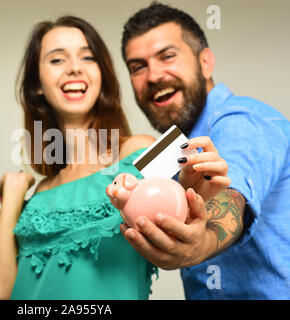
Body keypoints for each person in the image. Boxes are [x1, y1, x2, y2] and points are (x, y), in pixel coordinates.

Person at [0, 16, 229, 300]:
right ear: (37, 85)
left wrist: (200, 191)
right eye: (57, 60)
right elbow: (1, 293)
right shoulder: (38, 193)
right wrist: (14, 194)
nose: (75, 68)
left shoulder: (143, 152)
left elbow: (198, 209)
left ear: (101, 75)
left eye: (87, 58)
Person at [120, 3, 290, 299]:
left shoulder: (245, 118)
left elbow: (232, 191)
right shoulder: (170, 147)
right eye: (138, 67)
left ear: (206, 62)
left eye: (167, 56)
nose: (153, 76)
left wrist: (205, 240)